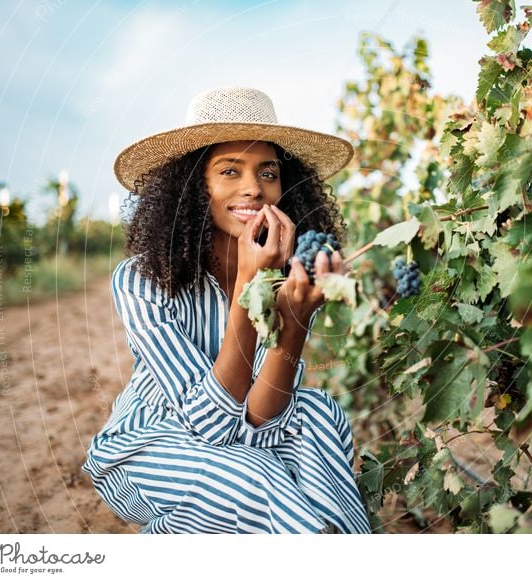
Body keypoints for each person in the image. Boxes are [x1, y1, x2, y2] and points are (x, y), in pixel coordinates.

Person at [81, 87, 371, 534]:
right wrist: (246, 289)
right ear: (195, 185)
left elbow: (260, 423)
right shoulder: (141, 278)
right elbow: (211, 426)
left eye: (268, 173)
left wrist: (293, 323)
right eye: (229, 171)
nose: (253, 188)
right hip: (146, 451)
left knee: (319, 412)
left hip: (243, 441)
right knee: (260, 478)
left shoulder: (287, 276)